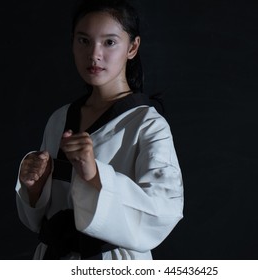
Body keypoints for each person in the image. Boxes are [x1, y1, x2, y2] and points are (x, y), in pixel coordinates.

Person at [15, 0, 184, 260]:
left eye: (109, 42)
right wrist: (34, 188)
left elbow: (163, 211)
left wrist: (95, 175)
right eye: (84, 41)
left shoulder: (148, 125)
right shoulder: (59, 119)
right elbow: (40, 217)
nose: (94, 54)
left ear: (133, 47)